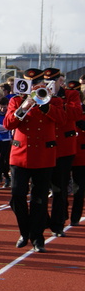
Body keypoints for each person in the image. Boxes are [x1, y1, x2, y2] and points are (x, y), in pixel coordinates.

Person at [3, 68, 65, 252]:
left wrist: (44, 105)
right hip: (20, 155)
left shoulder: (54, 100)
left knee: (39, 199)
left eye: (37, 83)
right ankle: (25, 231)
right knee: (17, 196)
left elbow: (62, 120)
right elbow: (8, 124)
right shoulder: (16, 100)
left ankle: (38, 238)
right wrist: (25, 106)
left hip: (44, 156)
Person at [44, 68, 82, 237]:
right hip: (44, 148)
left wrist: (57, 100)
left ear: (61, 82)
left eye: (54, 81)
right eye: (47, 82)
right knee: (43, 188)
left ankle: (58, 223)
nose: (50, 85)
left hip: (64, 149)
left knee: (60, 187)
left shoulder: (72, 95)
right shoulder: (41, 95)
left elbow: (75, 113)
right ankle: (43, 220)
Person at [69, 85, 85, 226]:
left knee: (79, 189)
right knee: (60, 188)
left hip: (81, 155)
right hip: (66, 152)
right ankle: (60, 217)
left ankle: (75, 217)